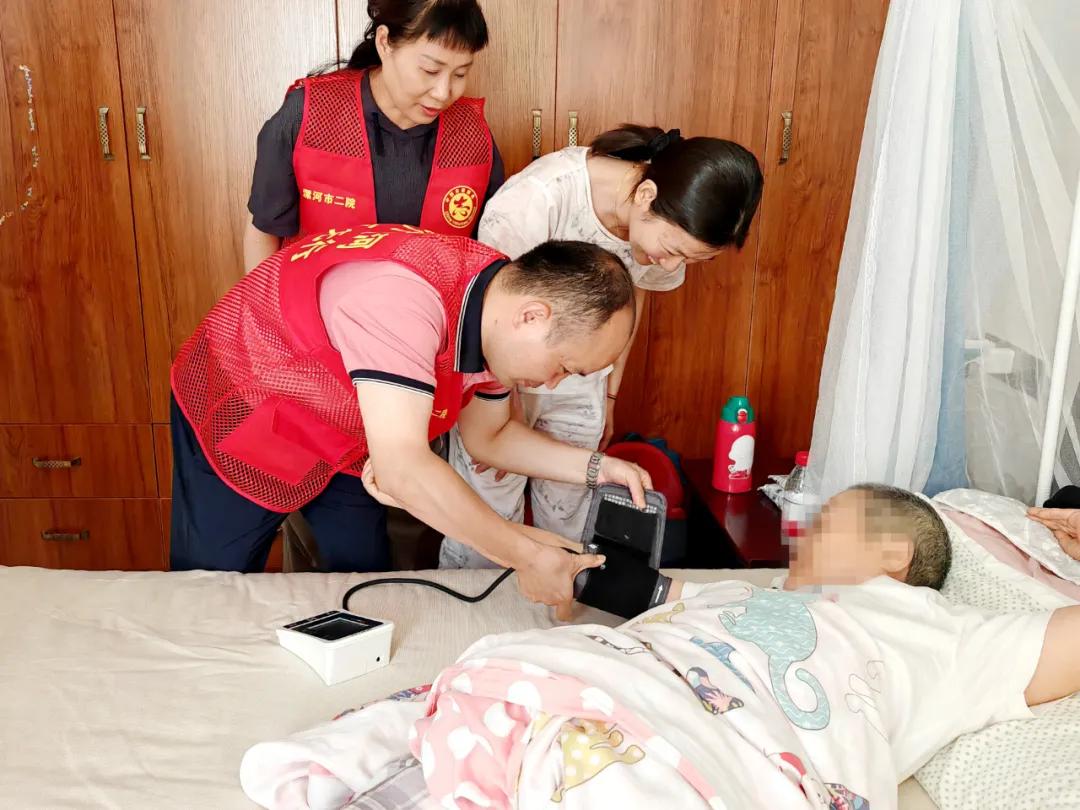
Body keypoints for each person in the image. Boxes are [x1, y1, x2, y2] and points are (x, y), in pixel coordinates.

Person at [241, 483, 1079, 809]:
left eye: (833, 522)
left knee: (608, 776)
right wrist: (561, 566)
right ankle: (388, 769)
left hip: (689, 740)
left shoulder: (939, 635)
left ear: (895, 555)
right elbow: (647, 595)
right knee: (470, 688)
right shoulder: (752, 595)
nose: (806, 534)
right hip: (593, 678)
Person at [169, 225, 653, 615]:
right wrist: (527, 557)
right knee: (213, 584)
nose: (551, 384)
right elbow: (402, 468)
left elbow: (490, 436)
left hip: (351, 431)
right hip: (248, 404)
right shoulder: (400, 300)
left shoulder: (493, 310)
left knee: (362, 579)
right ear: (533, 316)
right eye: (563, 367)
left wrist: (598, 468)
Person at [440, 124, 764, 567]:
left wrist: (609, 393)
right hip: (499, 377)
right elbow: (492, 321)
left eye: (691, 260)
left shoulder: (660, 231)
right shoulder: (538, 199)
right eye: (674, 249)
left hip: (582, 374)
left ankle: (561, 596)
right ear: (646, 195)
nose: (673, 266)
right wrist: (501, 429)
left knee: (571, 512)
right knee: (488, 515)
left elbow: (635, 297)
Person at [244, 0, 504, 271]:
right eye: (430, 70)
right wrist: (265, 300)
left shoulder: (472, 135)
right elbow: (264, 230)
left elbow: (491, 247)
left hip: (437, 298)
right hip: (314, 296)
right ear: (384, 42)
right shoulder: (310, 114)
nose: (443, 92)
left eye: (460, 74)